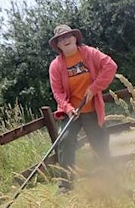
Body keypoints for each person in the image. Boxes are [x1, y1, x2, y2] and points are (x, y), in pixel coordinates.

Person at [48, 24, 118, 194]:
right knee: (64, 140)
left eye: (68, 36)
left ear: (75, 38)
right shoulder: (56, 66)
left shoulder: (89, 53)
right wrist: (68, 108)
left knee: (100, 141)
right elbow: (57, 92)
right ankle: (65, 185)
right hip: (72, 113)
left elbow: (110, 66)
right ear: (57, 45)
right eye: (61, 39)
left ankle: (109, 176)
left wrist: (94, 88)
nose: (65, 40)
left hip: (92, 109)